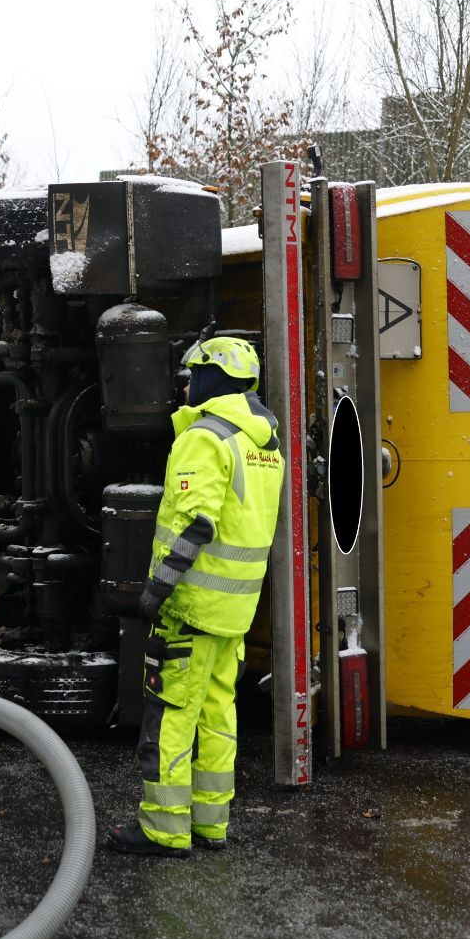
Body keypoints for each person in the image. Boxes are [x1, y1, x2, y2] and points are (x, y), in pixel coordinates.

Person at [108, 336, 284, 858]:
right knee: (217, 714)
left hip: (191, 606)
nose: (185, 386)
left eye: (191, 375)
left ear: (212, 378)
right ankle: (211, 823)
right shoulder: (263, 445)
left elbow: (195, 524)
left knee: (170, 714)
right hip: (234, 611)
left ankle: (163, 828)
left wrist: (156, 591)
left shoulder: (205, 438)